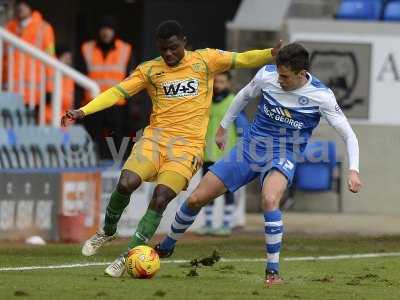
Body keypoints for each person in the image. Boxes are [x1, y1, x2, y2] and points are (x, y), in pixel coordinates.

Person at [61, 20, 281, 277]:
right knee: (126, 182)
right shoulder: (149, 70)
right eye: (163, 49)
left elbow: (241, 59)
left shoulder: (205, 60)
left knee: (162, 196)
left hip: (187, 148)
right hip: (155, 140)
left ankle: (129, 254)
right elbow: (116, 92)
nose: (168, 54)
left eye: (173, 48)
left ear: (184, 42)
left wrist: (269, 54)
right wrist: (83, 110)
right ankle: (107, 231)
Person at [156, 43, 362, 286]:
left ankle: (272, 271)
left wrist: (353, 170)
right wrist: (223, 126)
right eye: (278, 73)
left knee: (269, 200)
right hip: (251, 147)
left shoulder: (322, 96)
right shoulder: (267, 75)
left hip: (284, 152)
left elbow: (349, 135)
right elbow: (243, 96)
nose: (279, 79)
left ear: (301, 73)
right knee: (195, 198)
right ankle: (166, 247)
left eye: (284, 76)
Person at [197, 71, 249, 236]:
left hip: (228, 157)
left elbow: (243, 128)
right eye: (216, 82)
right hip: (208, 156)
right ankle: (208, 224)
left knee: (227, 192)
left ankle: (226, 224)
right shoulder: (207, 103)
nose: (218, 85)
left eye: (222, 82)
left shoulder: (233, 102)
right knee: (206, 192)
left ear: (228, 84)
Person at [79, 16, 134, 159]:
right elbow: (80, 78)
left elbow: (132, 79)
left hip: (116, 104)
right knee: (92, 140)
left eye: (109, 29)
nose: (106, 32)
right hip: (93, 104)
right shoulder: (87, 48)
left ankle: (117, 169)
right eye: (103, 28)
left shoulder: (125, 49)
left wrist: (131, 105)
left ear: (114, 31)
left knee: (116, 141)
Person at [4, 0, 55, 109]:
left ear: (31, 6)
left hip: (33, 94)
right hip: (10, 90)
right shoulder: (9, 28)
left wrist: (50, 89)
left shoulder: (44, 28)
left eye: (25, 4)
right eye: (18, 4)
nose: (20, 7)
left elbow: (51, 61)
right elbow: (4, 60)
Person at [45, 46, 74, 124]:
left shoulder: (71, 77)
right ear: (57, 59)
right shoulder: (49, 74)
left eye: (70, 59)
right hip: (48, 121)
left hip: (66, 123)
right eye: (66, 58)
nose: (68, 61)